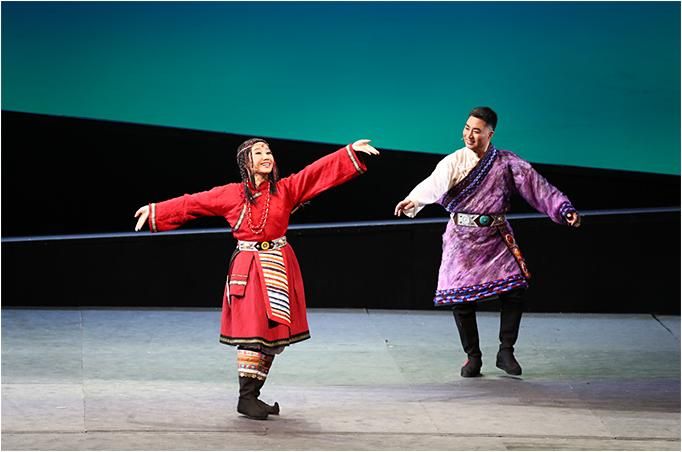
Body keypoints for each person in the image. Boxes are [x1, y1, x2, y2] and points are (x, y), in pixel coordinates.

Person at [134, 138, 379, 419]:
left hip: (278, 265)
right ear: (245, 162)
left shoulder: (285, 189)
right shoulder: (230, 194)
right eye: (258, 153)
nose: (266, 156)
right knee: (252, 332)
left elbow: (315, 174)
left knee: (273, 335)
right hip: (249, 268)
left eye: (269, 152)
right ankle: (246, 397)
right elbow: (193, 203)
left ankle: (253, 395)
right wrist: (157, 211)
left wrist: (348, 152)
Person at [394, 107, 580, 378]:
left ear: (490, 134)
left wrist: (563, 208)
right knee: (462, 300)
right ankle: (473, 357)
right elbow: (433, 185)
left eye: (477, 131)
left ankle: (506, 351)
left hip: (495, 236)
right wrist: (413, 200)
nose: (469, 135)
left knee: (514, 290)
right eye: (467, 129)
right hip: (461, 239)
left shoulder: (506, 162)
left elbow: (536, 186)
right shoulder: (454, 162)